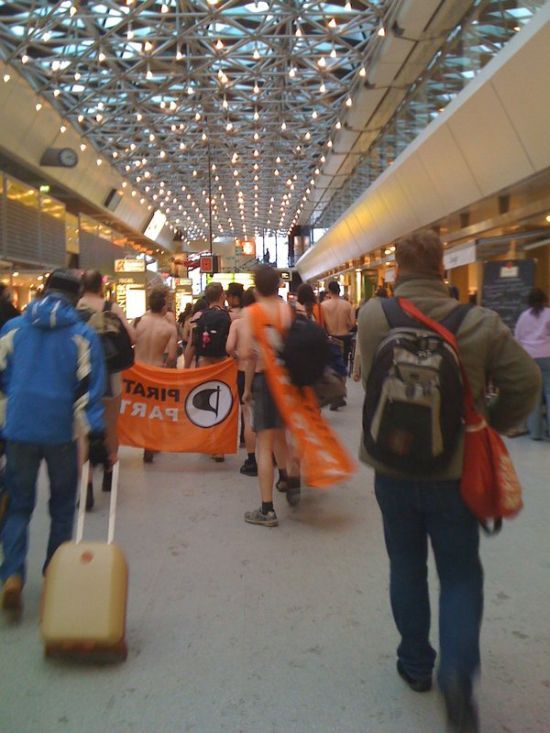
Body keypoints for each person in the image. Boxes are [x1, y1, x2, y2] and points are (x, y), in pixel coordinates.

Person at [357, 230, 540, 733]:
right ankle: (457, 674)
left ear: (396, 267)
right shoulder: (479, 322)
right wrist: (490, 421)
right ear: (443, 266)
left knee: (405, 565)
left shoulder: (374, 316)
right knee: (460, 575)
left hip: (391, 469)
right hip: (456, 472)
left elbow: (364, 376)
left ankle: (415, 665)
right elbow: (527, 380)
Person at [0, 269, 106, 613]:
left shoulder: (13, 329)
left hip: (19, 428)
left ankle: (12, 575)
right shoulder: (82, 334)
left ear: (43, 291)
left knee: (17, 505)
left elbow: (2, 376)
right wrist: (95, 429)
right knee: (62, 507)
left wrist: (16, 400)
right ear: (76, 298)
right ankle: (55, 576)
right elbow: (91, 388)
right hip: (61, 430)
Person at [241, 265, 297, 526]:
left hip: (264, 379)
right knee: (283, 434)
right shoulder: (286, 309)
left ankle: (267, 509)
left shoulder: (250, 313)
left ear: (255, 286)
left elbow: (246, 355)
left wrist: (247, 388)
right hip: (286, 379)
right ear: (278, 285)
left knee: (265, 444)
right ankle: (288, 478)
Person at [78, 270, 135, 509]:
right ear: (101, 287)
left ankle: (87, 484)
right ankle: (109, 474)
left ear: (82, 287)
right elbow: (132, 336)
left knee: (84, 429)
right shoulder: (112, 306)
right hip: (111, 373)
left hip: (83, 375)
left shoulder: (75, 308)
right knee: (111, 424)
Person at [186, 282, 232, 463]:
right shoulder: (226, 317)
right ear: (221, 296)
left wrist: (186, 369)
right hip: (222, 365)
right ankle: (219, 449)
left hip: (203, 364)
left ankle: (206, 442)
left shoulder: (198, 317)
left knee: (204, 403)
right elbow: (230, 344)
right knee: (220, 404)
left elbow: (191, 344)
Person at [134, 286, 178, 463]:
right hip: (157, 369)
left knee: (140, 408)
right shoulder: (168, 328)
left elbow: (130, 341)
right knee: (155, 409)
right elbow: (173, 356)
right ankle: (151, 443)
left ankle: (143, 439)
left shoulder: (138, 322)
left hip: (137, 369)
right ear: (163, 307)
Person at [226, 288, 257, 475]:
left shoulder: (237, 324)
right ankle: (274, 457)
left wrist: (237, 356)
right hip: (264, 371)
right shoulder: (266, 323)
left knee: (248, 415)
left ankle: (252, 460)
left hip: (243, 371)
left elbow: (229, 347)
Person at [514, 288, 550, 440]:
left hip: (529, 357)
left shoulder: (524, 316)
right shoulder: (549, 313)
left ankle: (535, 433)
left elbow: (517, 337)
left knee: (534, 395)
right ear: (544, 299)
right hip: (547, 356)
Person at [321, 280, 355, 402]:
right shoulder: (347, 305)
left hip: (330, 338)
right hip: (344, 337)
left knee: (332, 366)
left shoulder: (323, 306)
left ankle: (334, 393)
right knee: (343, 365)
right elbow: (352, 323)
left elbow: (321, 324)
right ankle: (341, 391)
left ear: (329, 291)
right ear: (339, 290)